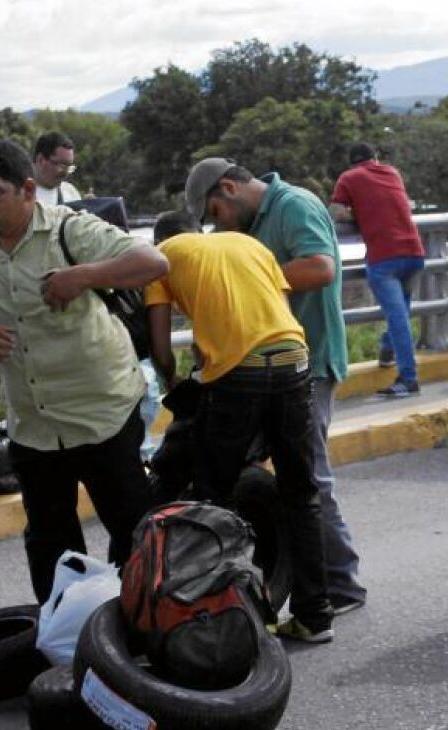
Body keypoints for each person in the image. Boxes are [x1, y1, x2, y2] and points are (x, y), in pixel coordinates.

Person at [0, 140, 165, 602]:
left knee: (132, 529)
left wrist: (82, 276)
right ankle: (63, 630)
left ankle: (141, 623)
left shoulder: (68, 228)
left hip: (102, 409)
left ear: (27, 190)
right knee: (49, 542)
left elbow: (153, 262)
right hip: (33, 422)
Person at [185, 157, 369, 616]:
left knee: (310, 480)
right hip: (262, 371)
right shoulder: (248, 227)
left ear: (229, 188)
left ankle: (342, 584)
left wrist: (249, 282)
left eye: (216, 214)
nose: (219, 226)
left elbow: (321, 267)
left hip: (310, 362)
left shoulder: (294, 205)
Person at [144, 212, 337, 644]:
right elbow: (269, 311)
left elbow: (160, 347)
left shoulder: (161, 257)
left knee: (213, 497)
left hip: (240, 375)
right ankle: (315, 616)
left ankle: (225, 622)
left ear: (161, 240)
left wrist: (172, 381)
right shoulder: (248, 244)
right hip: (294, 361)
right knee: (300, 493)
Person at [329, 142, 427, 397]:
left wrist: (358, 216)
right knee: (401, 313)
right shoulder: (392, 172)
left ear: (352, 162)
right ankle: (387, 350)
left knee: (397, 317)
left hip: (384, 258)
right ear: (375, 158)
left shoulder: (349, 178)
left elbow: (336, 213)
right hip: (414, 254)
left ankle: (408, 379)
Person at [31, 132, 81, 208]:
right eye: (62, 166)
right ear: (41, 160)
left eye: (69, 167)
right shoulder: (19, 193)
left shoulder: (70, 193)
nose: (65, 173)